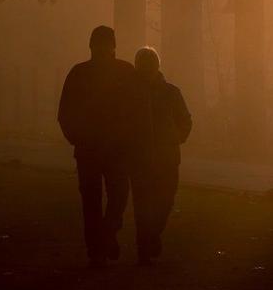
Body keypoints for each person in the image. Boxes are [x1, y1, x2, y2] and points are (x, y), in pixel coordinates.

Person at [57, 25, 145, 266]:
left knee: (92, 201)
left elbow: (64, 113)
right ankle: (106, 235)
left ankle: (97, 247)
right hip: (116, 149)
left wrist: (76, 138)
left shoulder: (79, 73)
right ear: (113, 46)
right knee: (117, 196)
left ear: (91, 45)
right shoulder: (126, 72)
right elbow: (139, 110)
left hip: (90, 149)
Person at [132, 46, 191, 265]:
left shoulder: (170, 93)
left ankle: (150, 238)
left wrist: (176, 138)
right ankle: (145, 246)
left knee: (162, 201)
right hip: (145, 158)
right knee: (147, 203)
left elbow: (185, 121)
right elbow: (186, 121)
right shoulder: (135, 94)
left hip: (163, 157)